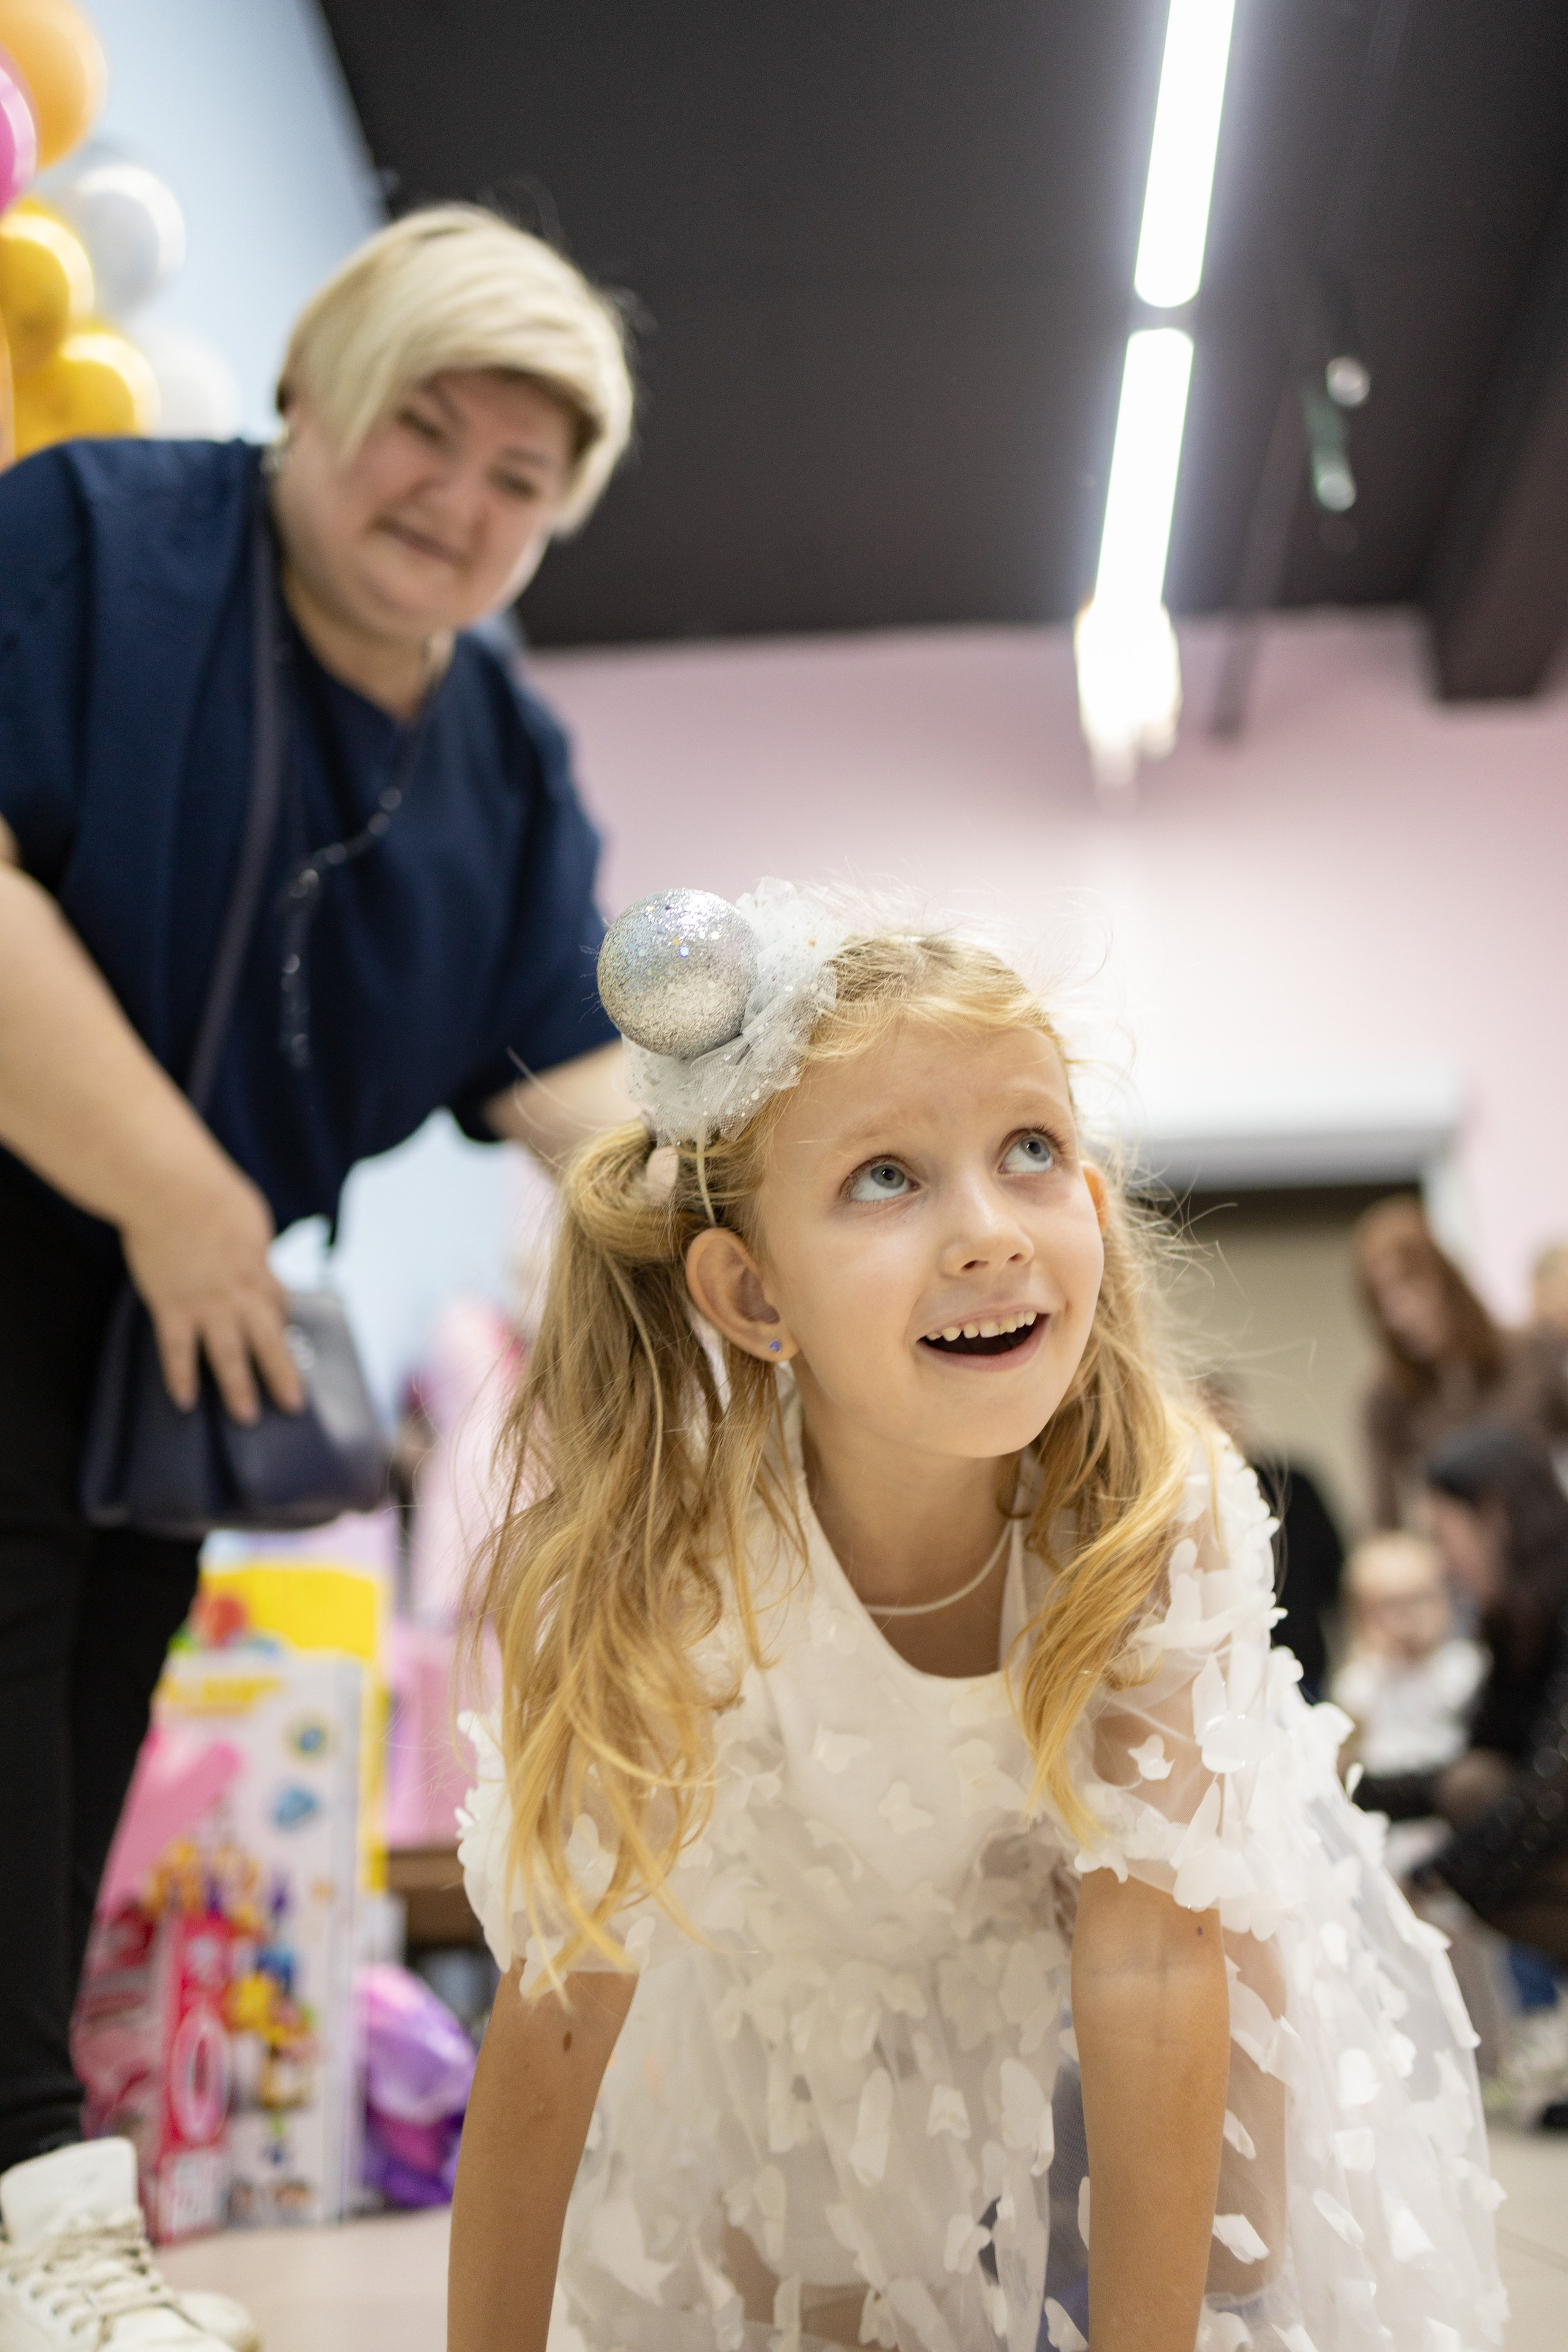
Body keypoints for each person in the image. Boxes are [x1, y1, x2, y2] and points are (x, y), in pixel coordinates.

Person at [449, 889, 1502, 2352]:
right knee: (820, 2297)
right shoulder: (675, 1554)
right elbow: (560, 2004)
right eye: (885, 1176)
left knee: (1230, 2181)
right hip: (806, 1950)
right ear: (751, 1291)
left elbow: (1144, 1960)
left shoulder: (1148, 1500)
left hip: (1123, 1941)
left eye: (1031, 1150)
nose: (987, 1234)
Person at [0, 206, 635, 2345]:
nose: (455, 502)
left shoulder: (505, 764)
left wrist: (816, 1217)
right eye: (418, 432)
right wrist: (177, 1194)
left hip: (181, 1321)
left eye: (519, 480)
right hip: (52, 1218)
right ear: (314, 401)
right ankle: (37, 2231)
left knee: (89, 1702)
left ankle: (33, 2221)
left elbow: (574, 1087)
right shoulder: (95, 538)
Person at [1354, 1422, 1568, 2123]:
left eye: (1445, 1538)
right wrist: (1344, 1784)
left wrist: (1425, 1876)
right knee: (1472, 1786)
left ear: (1495, 1518)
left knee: (1479, 1798)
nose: (1443, 1563)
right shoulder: (1516, 1620)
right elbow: (1466, 1767)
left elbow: (1546, 1791)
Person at [1354, 1193, 1568, 1529]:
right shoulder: (1386, 1397)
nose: (1402, 1312)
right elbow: (1384, 1522)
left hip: (1549, 1553)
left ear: (1445, 1278)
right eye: (1384, 1300)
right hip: (1461, 1571)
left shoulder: (1528, 1352)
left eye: (1411, 1284)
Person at [1332, 1531, 1484, 1877]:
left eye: (1420, 1600)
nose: (1407, 1619)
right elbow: (1346, 1753)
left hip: (1445, 1815)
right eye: (1389, 1607)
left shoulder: (1463, 1667)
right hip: (1385, 1819)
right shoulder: (1363, 1680)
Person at [1195, 1372, 1344, 1702]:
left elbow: (1335, 1567)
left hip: (1300, 1653)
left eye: (1222, 1411)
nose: (1216, 1423)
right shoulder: (1185, 1502)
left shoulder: (1294, 1484)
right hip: (1219, 1668)